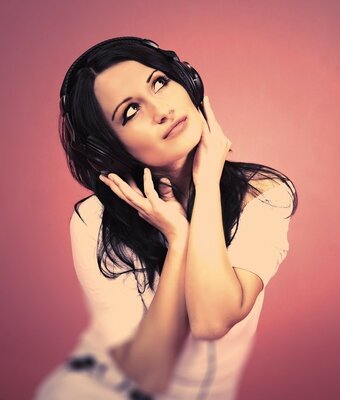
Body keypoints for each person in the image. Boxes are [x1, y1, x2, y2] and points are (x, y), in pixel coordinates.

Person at [34, 36, 298, 400]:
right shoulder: (93, 221)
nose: (161, 110)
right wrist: (179, 239)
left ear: (187, 81)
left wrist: (205, 185)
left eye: (159, 83)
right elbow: (148, 370)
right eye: (130, 111)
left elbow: (212, 319)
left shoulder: (265, 194)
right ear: (108, 147)